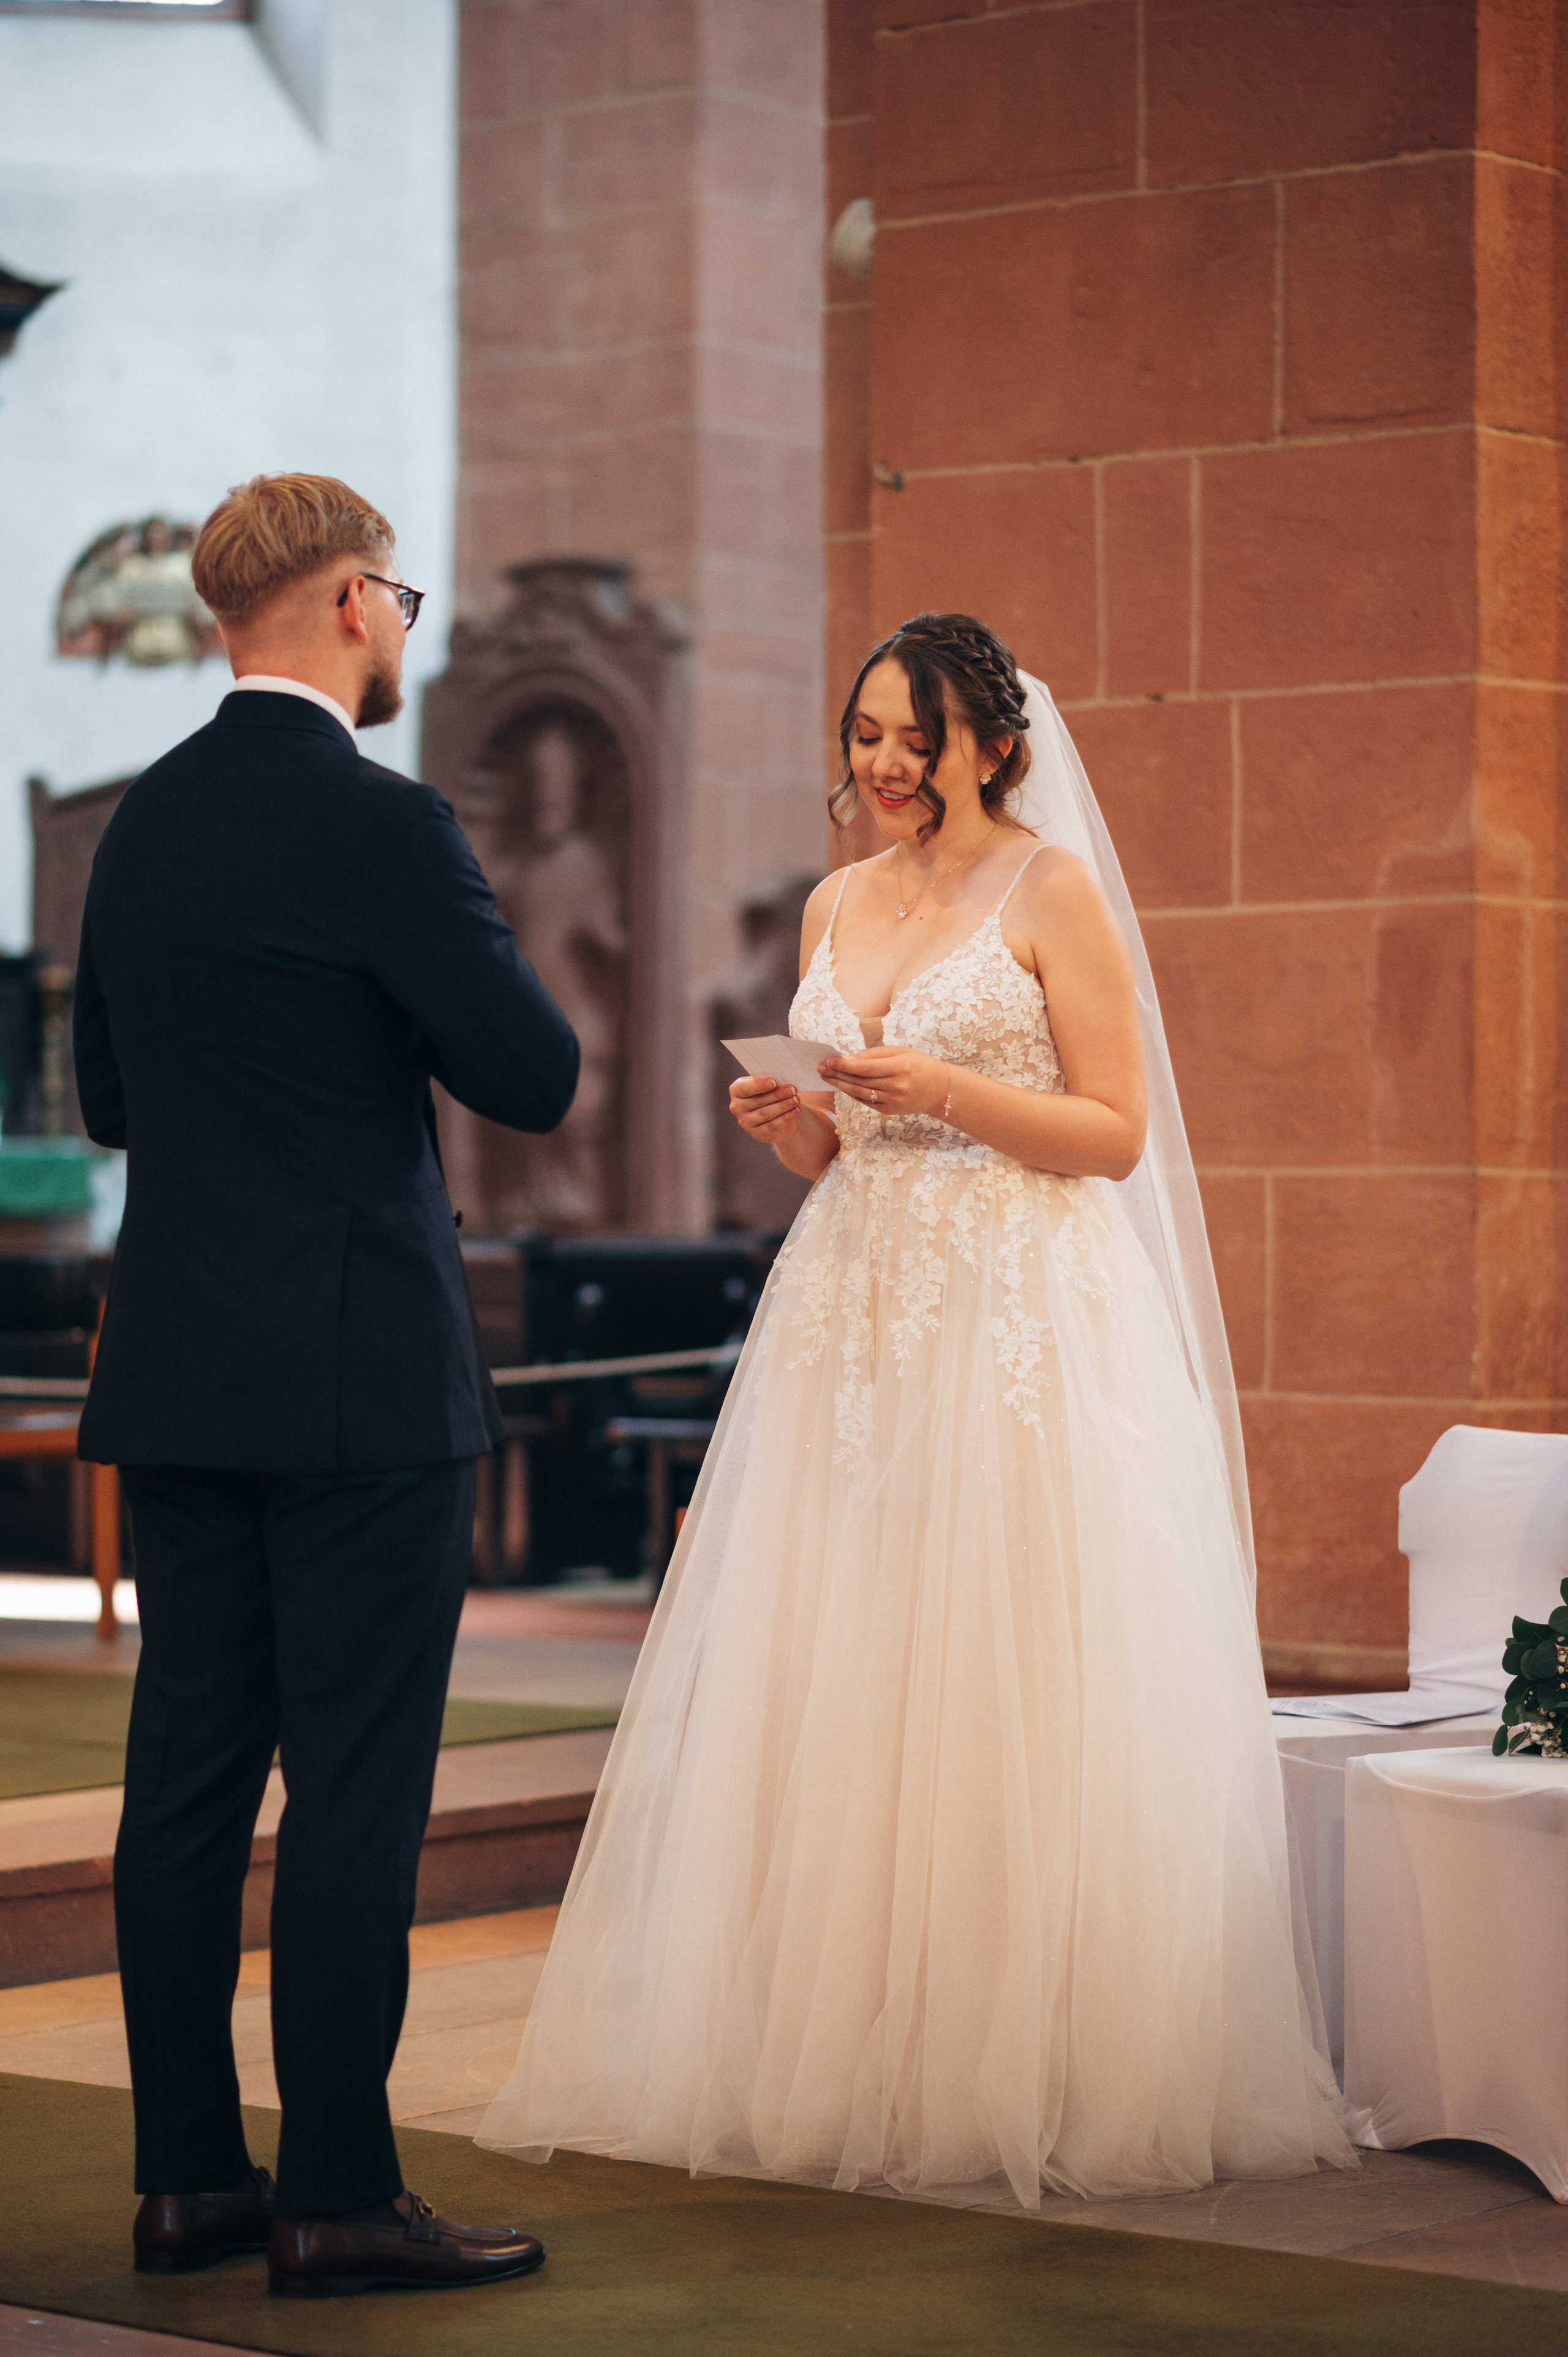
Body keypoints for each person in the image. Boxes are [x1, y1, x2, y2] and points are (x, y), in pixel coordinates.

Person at [477, 612, 1352, 2209]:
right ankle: (854, 2032)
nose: (881, 765)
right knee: (851, 1658)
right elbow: (832, 1148)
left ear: (993, 748)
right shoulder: (838, 898)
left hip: (1018, 1305)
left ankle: (1029, 2047)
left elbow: (1114, 1135)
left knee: (1008, 1655)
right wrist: (789, 1119)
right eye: (864, 736)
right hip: (857, 1308)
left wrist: (943, 1090)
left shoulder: (1049, 889)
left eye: (912, 739)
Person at [74, 473, 579, 2296]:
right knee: (356, 1793)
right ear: (357, 603)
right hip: (361, 1374)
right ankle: (340, 2197)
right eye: (404, 603)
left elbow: (112, 1109)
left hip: (187, 1366)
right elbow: (531, 1070)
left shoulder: (141, 827)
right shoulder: (385, 823)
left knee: (187, 1792)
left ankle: (191, 2182)